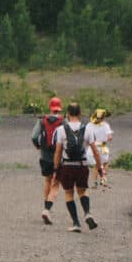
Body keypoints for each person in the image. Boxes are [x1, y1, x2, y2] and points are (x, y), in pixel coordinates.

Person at [52, 101, 96, 230]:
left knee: (69, 193)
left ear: (68, 113)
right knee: (82, 191)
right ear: (80, 113)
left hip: (67, 166)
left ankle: (76, 223)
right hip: (82, 165)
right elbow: (94, 150)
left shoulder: (61, 129)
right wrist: (100, 168)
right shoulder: (87, 128)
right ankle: (87, 213)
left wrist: (55, 169)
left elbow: (58, 151)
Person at [33, 95, 65, 223]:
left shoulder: (42, 121)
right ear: (60, 108)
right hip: (59, 156)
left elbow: (34, 136)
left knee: (47, 181)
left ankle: (46, 207)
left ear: (50, 107)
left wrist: (38, 146)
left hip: (44, 156)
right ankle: (47, 209)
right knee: (55, 183)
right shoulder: (63, 121)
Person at [90, 108, 115, 188]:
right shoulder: (105, 125)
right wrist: (108, 137)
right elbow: (110, 137)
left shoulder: (92, 124)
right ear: (103, 117)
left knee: (96, 165)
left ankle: (94, 182)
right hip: (103, 146)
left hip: (94, 146)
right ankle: (103, 180)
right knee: (105, 163)